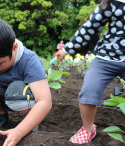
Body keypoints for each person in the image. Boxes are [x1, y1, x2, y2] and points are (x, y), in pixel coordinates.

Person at [53, 0, 125, 144]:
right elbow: (91, 26)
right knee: (89, 90)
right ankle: (88, 128)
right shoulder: (115, 2)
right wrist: (67, 49)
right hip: (106, 57)